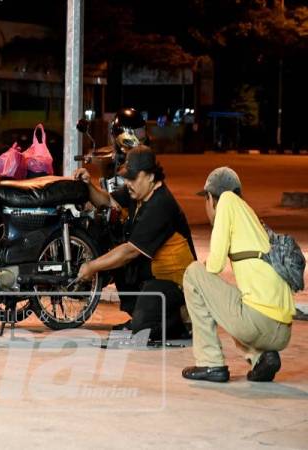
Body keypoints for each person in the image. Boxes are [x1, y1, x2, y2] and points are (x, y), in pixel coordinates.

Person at [182, 168, 295, 382]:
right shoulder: (250, 217)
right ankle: (262, 357)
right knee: (233, 300)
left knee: (192, 273)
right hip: (282, 331)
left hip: (258, 322)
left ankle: (210, 363)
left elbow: (213, 265)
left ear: (210, 198)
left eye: (205, 200)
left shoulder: (226, 201)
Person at [74, 145, 196, 341]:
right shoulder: (137, 194)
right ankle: (143, 313)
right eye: (126, 177)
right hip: (152, 275)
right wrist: (89, 185)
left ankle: (183, 321)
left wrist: (92, 267)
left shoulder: (160, 204)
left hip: (177, 284)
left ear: (149, 176)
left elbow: (129, 251)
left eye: (133, 177)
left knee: (143, 330)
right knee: (115, 259)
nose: (128, 182)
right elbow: (106, 201)